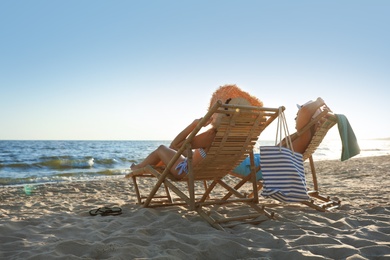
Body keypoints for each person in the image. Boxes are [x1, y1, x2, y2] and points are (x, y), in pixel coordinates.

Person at [130, 116, 216, 179]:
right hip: (204, 171)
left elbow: (176, 143)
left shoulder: (211, 135)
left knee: (161, 148)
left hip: (185, 171)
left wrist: (194, 124)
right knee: (172, 149)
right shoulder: (227, 137)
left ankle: (140, 167)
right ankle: (162, 165)